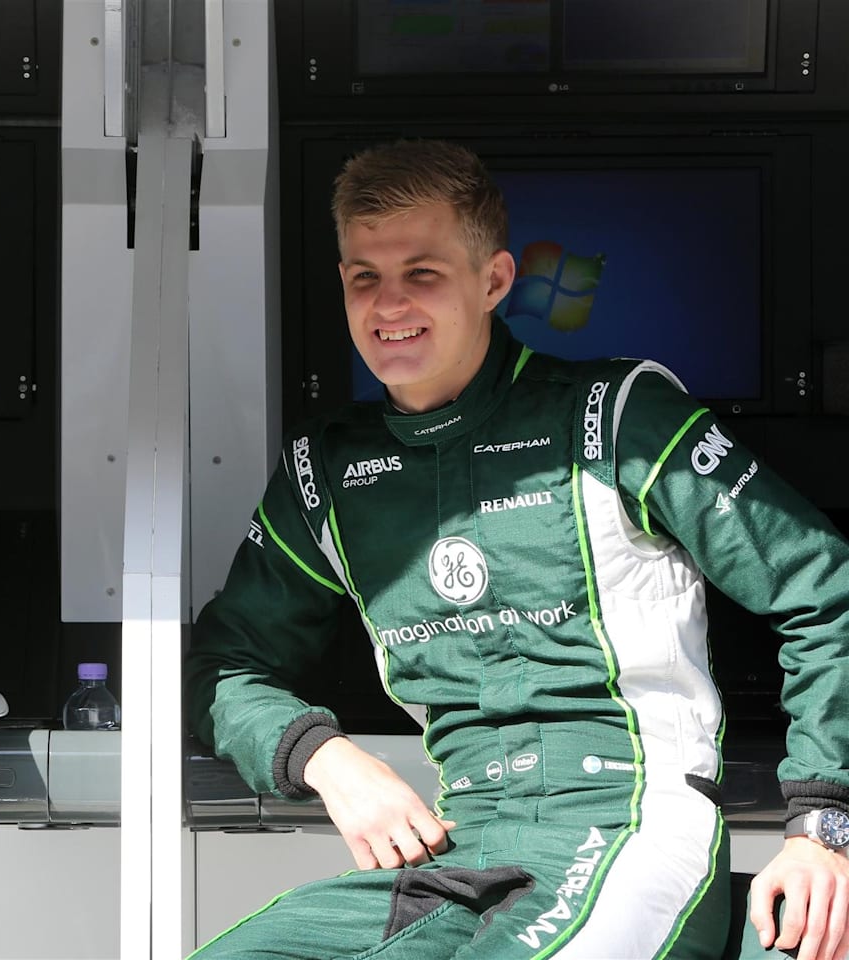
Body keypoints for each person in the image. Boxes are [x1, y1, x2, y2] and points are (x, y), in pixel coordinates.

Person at [185, 140, 849, 960]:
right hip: (456, 842)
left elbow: (824, 586)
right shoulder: (324, 468)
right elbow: (224, 666)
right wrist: (325, 759)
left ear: (494, 281)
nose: (388, 305)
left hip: (633, 824)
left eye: (421, 273)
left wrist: (823, 820)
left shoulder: (617, 415)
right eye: (365, 277)